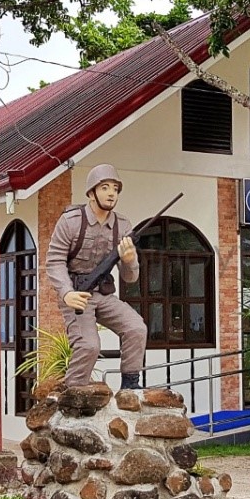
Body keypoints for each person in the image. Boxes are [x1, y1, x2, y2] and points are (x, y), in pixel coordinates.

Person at [46, 164, 147, 390]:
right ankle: (74, 393)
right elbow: (54, 261)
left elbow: (130, 278)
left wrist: (130, 260)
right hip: (77, 295)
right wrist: (66, 293)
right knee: (89, 346)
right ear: (91, 193)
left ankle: (130, 388)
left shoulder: (122, 225)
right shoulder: (72, 221)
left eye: (115, 189)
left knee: (136, 328)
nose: (111, 193)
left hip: (103, 294)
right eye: (104, 188)